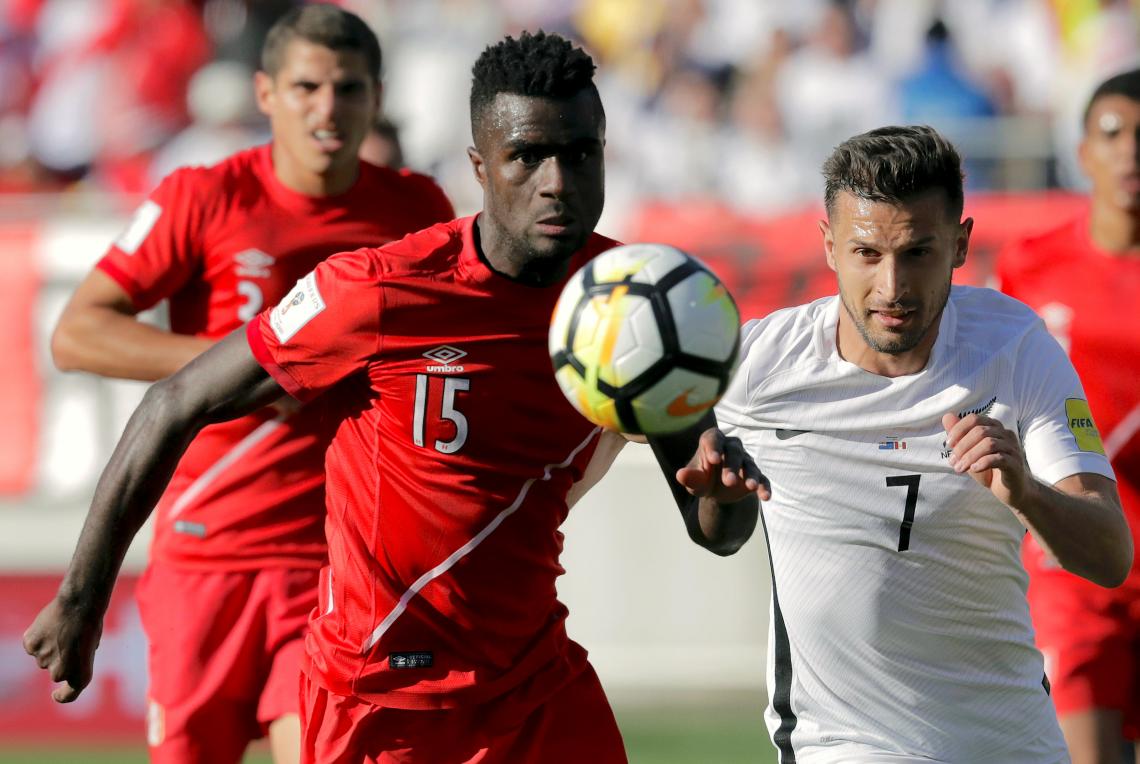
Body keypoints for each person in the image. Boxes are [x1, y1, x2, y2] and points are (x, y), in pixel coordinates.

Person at [24, 30, 761, 763]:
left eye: (579, 152)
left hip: (534, 688)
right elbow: (172, 403)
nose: (557, 181)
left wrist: (724, 491)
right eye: (527, 156)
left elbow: (717, 531)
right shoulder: (380, 287)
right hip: (377, 700)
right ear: (480, 165)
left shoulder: (635, 304)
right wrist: (83, 599)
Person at [31, 5, 453, 763]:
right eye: (307, 87)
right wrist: (244, 369)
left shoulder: (416, 212)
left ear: (377, 97)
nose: (329, 108)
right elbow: (76, 333)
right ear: (265, 94)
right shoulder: (205, 196)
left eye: (350, 89)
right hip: (207, 554)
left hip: (336, 562)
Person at [658, 125, 1131, 763]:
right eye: (866, 254)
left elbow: (1108, 554)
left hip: (1013, 743)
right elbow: (718, 533)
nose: (890, 287)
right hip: (844, 745)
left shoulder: (1017, 346)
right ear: (827, 245)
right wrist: (722, 497)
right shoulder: (758, 363)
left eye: (916, 253)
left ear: (961, 245)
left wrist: (1027, 493)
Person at [997, 68, 1140, 763]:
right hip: (1073, 561)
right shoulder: (1032, 266)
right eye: (1113, 134)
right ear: (1083, 152)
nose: (1130, 152)